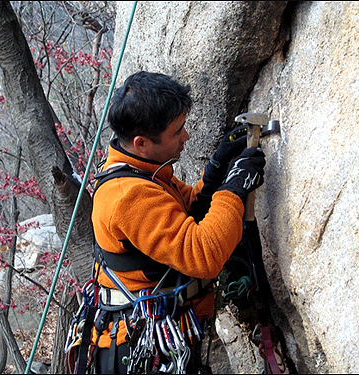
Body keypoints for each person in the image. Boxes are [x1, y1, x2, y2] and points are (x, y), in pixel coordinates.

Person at [89, 71, 266, 373]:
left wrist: (216, 171)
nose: (186, 137)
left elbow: (187, 212)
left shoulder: (141, 172)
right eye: (177, 131)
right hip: (141, 348)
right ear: (142, 142)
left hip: (157, 335)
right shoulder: (128, 196)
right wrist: (233, 189)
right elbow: (204, 254)